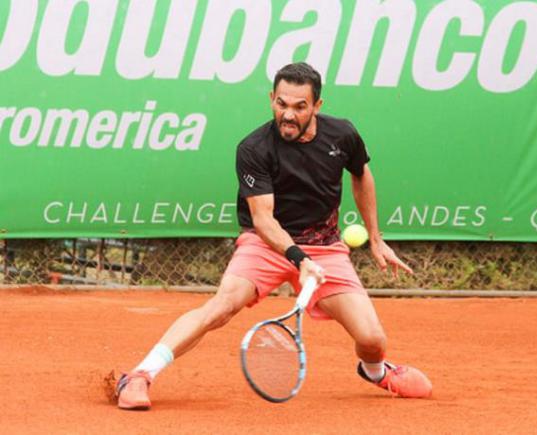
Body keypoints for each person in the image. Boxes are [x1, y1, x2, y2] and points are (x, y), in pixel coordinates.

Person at [115, 62, 432, 410]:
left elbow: (361, 174)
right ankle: (140, 375)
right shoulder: (254, 148)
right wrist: (299, 260)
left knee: (372, 339)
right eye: (281, 104)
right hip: (266, 245)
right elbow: (263, 220)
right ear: (271, 99)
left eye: (299, 106)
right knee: (220, 308)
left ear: (317, 106)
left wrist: (375, 236)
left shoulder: (342, 135)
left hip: (326, 249)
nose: (288, 115)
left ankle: (374, 372)